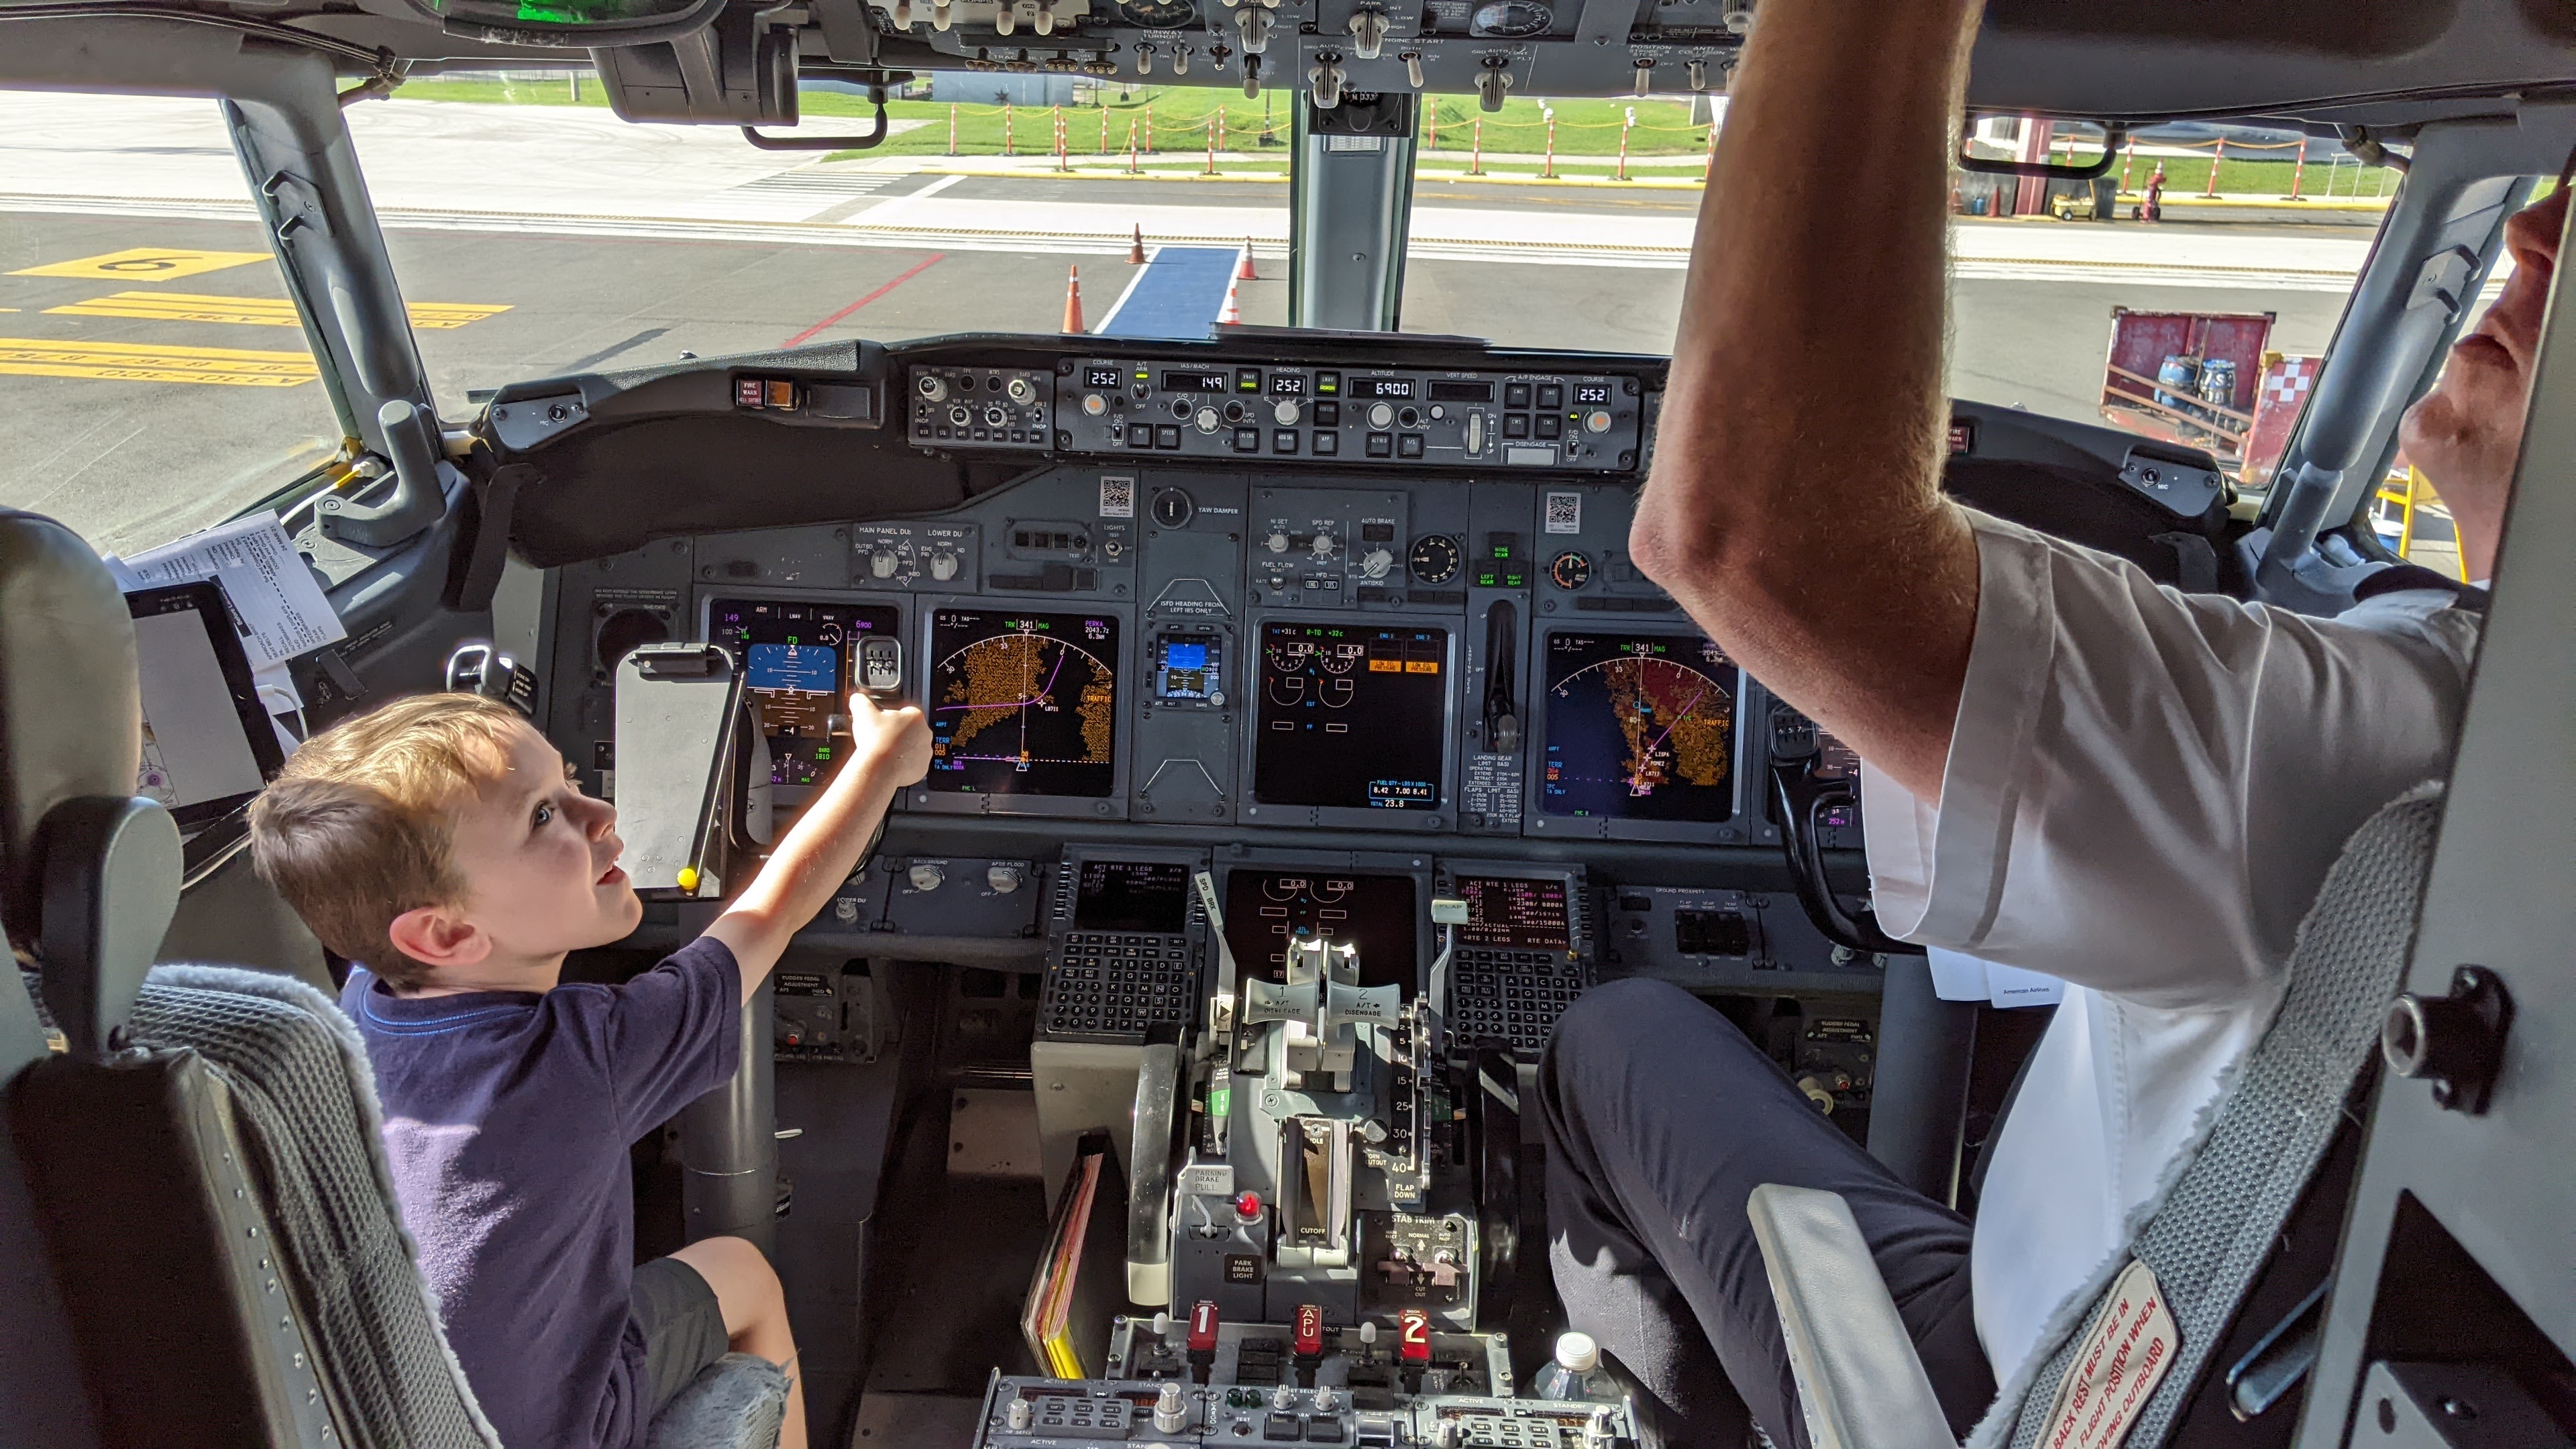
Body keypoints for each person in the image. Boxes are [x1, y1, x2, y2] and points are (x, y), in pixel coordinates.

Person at [1539, 0, 2564, 1443]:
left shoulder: (2394, 747)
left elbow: (1753, 535)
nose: (2532, 235)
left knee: (1607, 1043)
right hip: (2134, 1345)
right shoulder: (2490, 725)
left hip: (2014, 1392)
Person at [248, 688, 932, 1449]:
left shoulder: (354, 1009)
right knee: (744, 1271)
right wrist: (880, 763)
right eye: (544, 815)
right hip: (556, 1431)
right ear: (443, 935)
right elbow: (771, 913)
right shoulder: (582, 1058)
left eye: (570, 780)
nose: (601, 811)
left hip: (380, 1417)